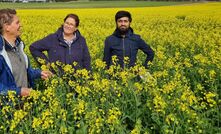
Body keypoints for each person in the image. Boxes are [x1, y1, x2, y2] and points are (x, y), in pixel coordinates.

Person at [0, 8, 52, 97]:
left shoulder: (19, 47)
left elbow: (24, 71)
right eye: (17, 23)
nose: (21, 25)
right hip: (8, 106)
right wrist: (18, 92)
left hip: (25, 105)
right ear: (7, 27)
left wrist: (39, 73)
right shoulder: (1, 53)